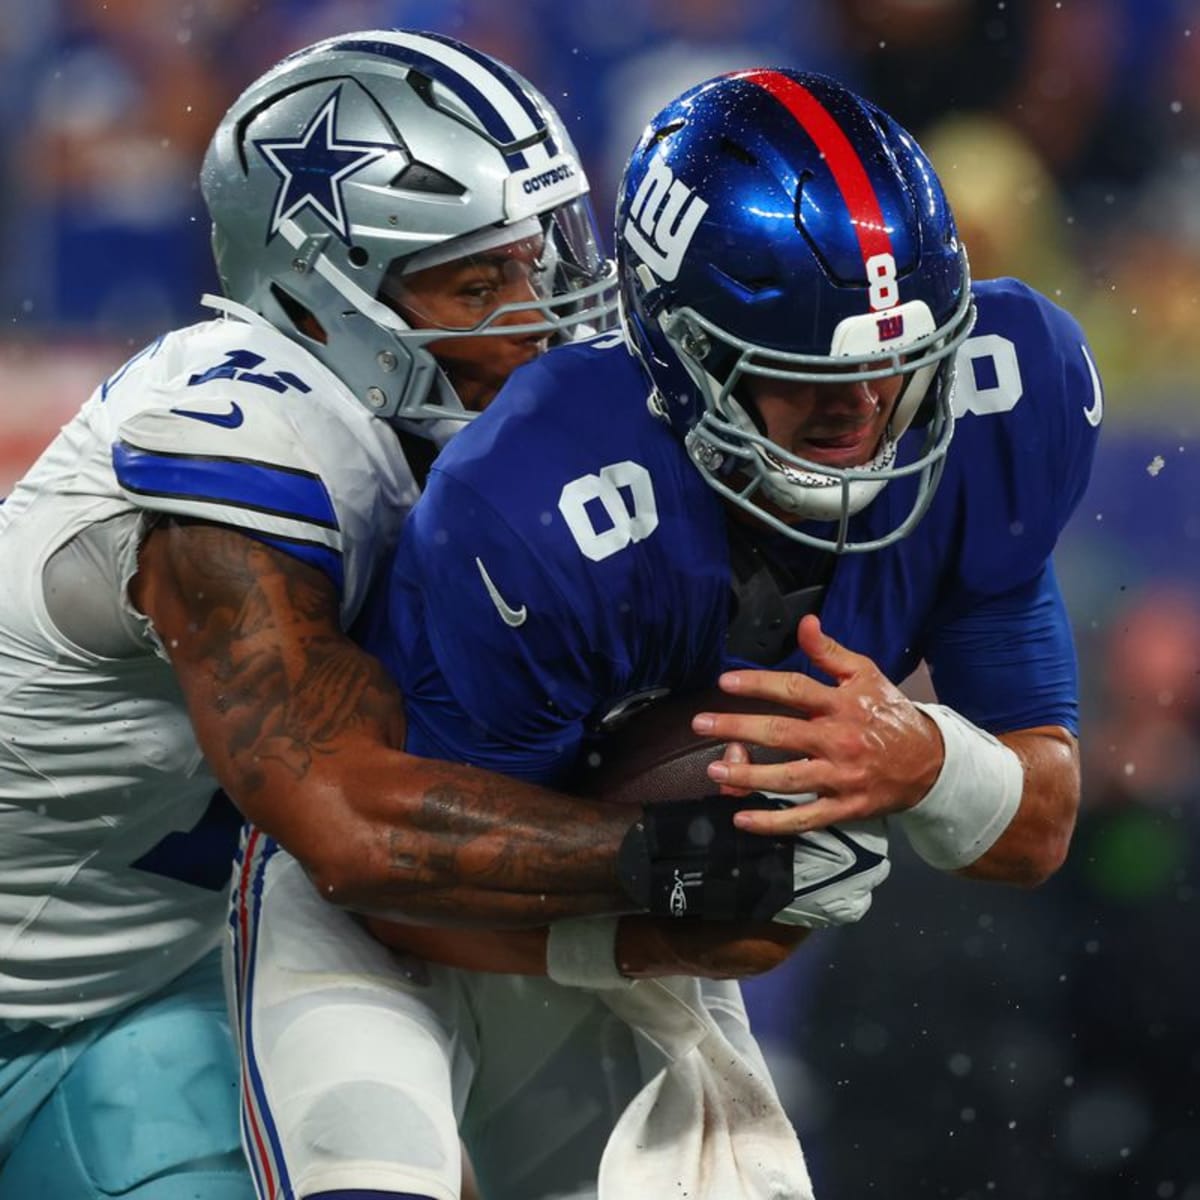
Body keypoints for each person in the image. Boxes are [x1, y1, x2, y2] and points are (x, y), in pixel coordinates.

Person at [230, 67, 1100, 1200]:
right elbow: (392, 878)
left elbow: (1033, 831)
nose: (863, 418)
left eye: (896, 372)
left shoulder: (1001, 399)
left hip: (639, 918)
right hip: (400, 909)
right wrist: (665, 888)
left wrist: (927, 758)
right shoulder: (545, 501)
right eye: (808, 385)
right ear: (683, 356)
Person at [0, 28, 625, 1199]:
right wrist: (670, 861)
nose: (535, 316)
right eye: (478, 281)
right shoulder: (247, 435)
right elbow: (350, 826)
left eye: (539, 262)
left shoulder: (437, 456)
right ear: (322, 295)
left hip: (133, 1019)